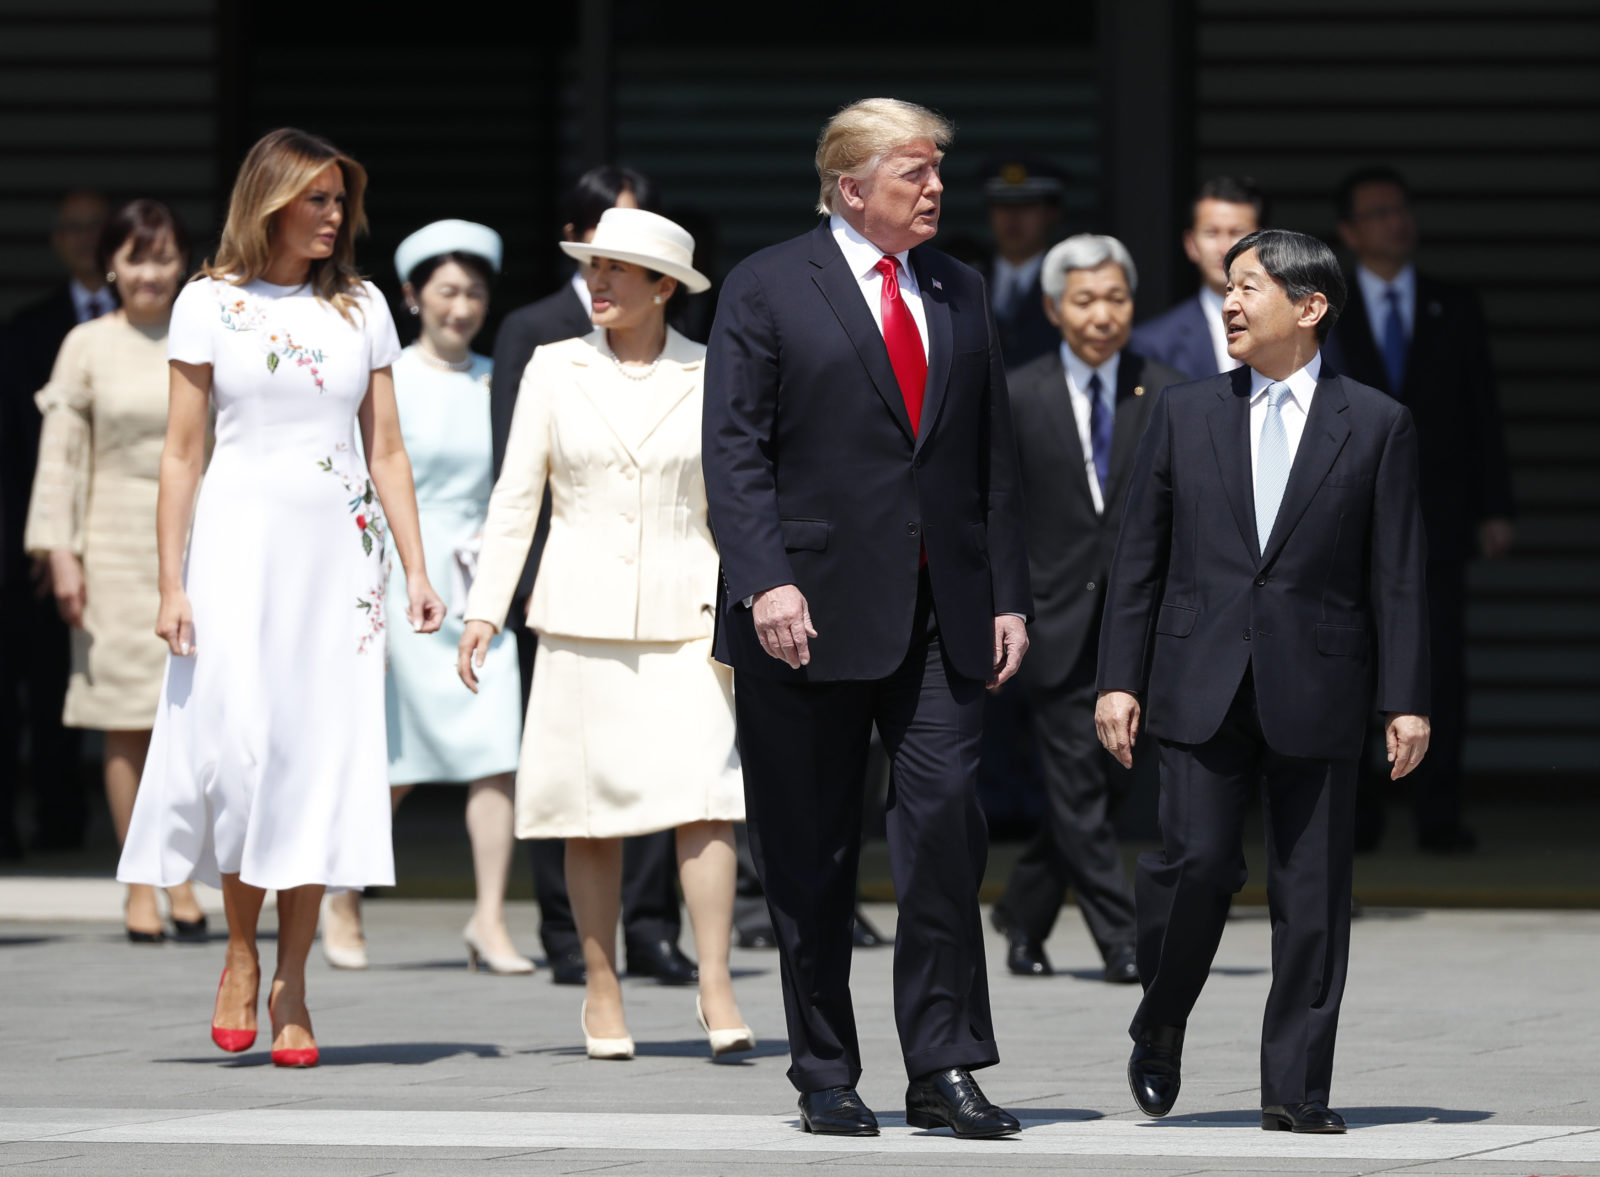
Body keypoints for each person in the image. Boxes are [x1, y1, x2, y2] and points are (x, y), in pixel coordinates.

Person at [703, 98, 1032, 1139]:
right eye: (913, 174)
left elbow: (990, 457)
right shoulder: (766, 285)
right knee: (810, 851)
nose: (935, 189)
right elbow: (733, 450)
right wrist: (766, 580)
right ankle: (824, 1069)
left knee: (941, 829)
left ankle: (942, 1064)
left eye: (937, 172)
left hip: (942, 611)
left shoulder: (959, 286)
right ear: (850, 188)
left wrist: (1009, 590)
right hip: (802, 611)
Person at [117, 128, 446, 1068]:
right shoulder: (207, 303)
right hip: (234, 555)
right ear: (269, 202)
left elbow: (386, 448)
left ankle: (293, 981)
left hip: (338, 566)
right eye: (318, 200)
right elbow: (183, 453)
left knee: (317, 763)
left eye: (341, 201)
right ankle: (236, 947)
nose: (336, 216)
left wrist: (416, 569)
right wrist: (170, 581)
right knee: (238, 760)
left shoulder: (365, 305)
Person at [1095, 228, 1430, 1133]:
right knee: (1194, 863)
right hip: (1198, 675)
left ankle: (1295, 1086)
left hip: (1319, 683)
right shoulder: (1186, 410)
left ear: (1310, 306)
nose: (1231, 304)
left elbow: (1396, 573)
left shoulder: (1378, 423)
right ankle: (1162, 1015)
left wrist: (1407, 697)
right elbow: (1139, 561)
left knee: (1312, 893)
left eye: (1250, 288)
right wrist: (1116, 678)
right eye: (1229, 288)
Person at [460, 207, 752, 1061]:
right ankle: (600, 983)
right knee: (587, 814)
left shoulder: (713, 372)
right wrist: (484, 608)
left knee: (707, 801)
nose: (599, 282)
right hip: (578, 611)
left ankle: (715, 979)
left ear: (665, 286)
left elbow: (736, 502)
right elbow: (516, 499)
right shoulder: (552, 368)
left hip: (687, 610)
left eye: (619, 270)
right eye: (594, 267)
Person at [489, 167, 694, 988]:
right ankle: (570, 935)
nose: (610, 268)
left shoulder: (688, 342)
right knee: (570, 777)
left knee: (664, 770)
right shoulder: (533, 334)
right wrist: (527, 585)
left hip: (665, 588)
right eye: (601, 246)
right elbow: (518, 475)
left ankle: (651, 927)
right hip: (566, 585)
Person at [319, 220, 529, 973]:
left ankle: (490, 918)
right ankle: (343, 895)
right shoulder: (389, 377)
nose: (462, 306)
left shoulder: (501, 379)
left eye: (474, 292)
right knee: (397, 754)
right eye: (446, 291)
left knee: (495, 750)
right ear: (412, 297)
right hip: (401, 574)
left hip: (478, 579)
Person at [989, 235, 1186, 985]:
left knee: (1107, 781)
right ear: (1052, 307)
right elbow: (998, 510)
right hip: (1053, 622)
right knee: (1076, 779)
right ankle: (1122, 938)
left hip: (1139, 627)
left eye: (1116, 298)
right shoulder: (1018, 391)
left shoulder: (1167, 390)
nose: (1102, 314)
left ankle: (1023, 909)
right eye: (1084, 299)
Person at [22, 199, 210, 943]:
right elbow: (59, 459)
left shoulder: (205, 337)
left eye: (164, 257)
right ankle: (140, 880)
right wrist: (60, 552)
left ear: (185, 264)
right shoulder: (85, 344)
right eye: (135, 257)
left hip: (199, 542)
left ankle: (184, 873)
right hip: (113, 549)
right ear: (111, 265)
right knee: (129, 720)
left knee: (194, 719)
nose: (150, 273)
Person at [1325, 165, 1514, 854]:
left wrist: (1495, 505)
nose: (1394, 222)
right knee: (1350, 668)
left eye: (1400, 210)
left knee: (1438, 669)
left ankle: (1438, 812)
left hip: (1437, 517)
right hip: (1347, 521)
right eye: (1377, 213)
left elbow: (1481, 411)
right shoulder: (1328, 307)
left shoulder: (1452, 303)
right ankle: (1360, 816)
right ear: (1348, 231)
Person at [1, 189, 109, 857]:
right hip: (35, 546)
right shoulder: (27, 328)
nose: (85, 238)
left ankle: (73, 824)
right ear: (56, 241)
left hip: (124, 533)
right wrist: (42, 539)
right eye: (72, 228)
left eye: (96, 227)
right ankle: (24, 824)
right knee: (31, 689)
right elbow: (15, 448)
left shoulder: (164, 329)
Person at [1130, 177, 1266, 380]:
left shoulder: (1299, 332)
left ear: (1264, 241)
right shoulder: (1154, 343)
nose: (1224, 248)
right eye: (1211, 233)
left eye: (1237, 233)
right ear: (1191, 244)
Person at [983, 155, 1065, 367]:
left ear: (1052, 213)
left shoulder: (1070, 283)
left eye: (1027, 204)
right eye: (1002, 204)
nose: (1013, 216)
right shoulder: (961, 279)